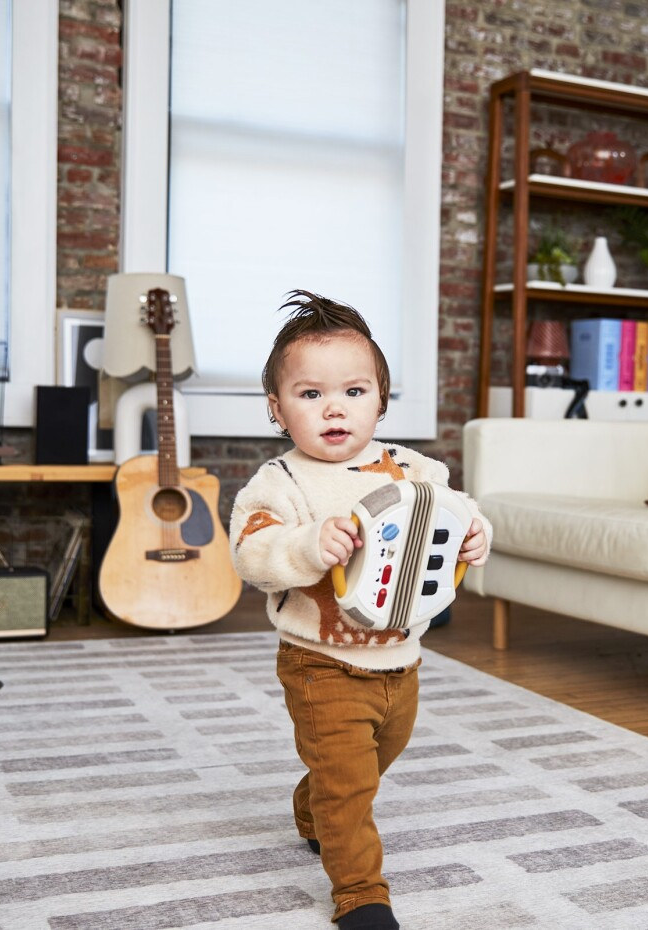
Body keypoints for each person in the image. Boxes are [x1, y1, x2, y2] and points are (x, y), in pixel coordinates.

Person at [229, 290, 491, 930]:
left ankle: (313, 804)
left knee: (372, 759)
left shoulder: (414, 469)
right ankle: (361, 896)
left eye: (354, 391)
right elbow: (251, 552)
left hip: (401, 661)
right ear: (278, 409)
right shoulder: (281, 482)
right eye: (310, 395)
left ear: (380, 399)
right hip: (321, 663)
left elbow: (455, 513)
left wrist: (477, 532)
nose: (334, 409)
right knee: (350, 784)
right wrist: (306, 544)